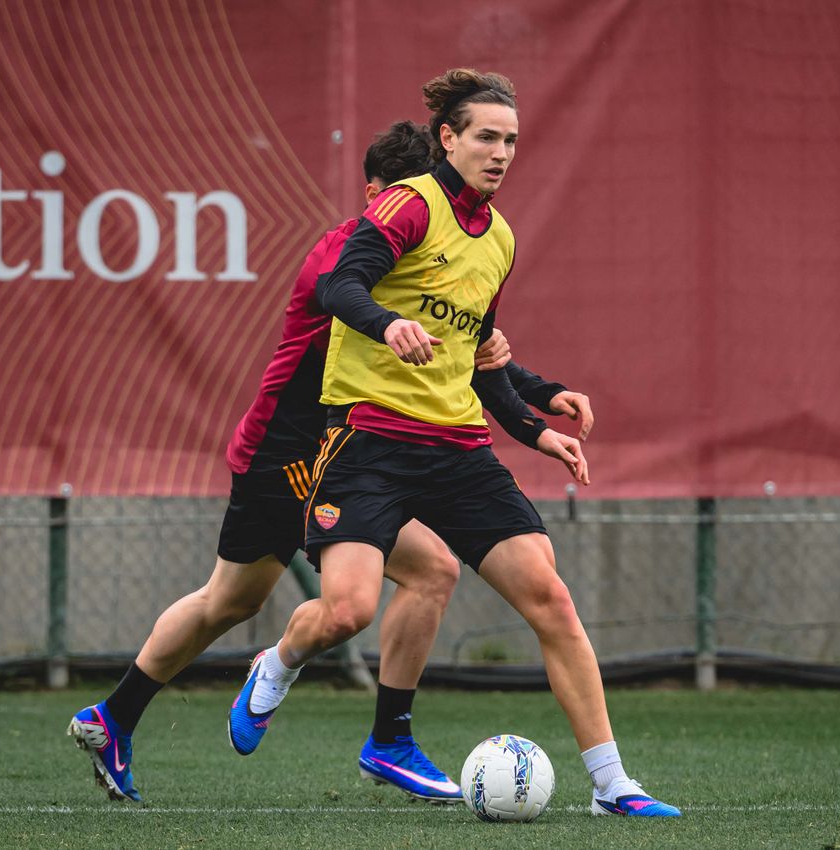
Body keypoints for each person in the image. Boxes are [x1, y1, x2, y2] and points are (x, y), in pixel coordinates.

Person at [68, 120, 592, 804]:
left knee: (236, 598)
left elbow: (453, 347)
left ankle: (115, 717)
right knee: (357, 585)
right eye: (395, 194)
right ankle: (382, 736)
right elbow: (353, 300)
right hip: (292, 450)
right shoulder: (350, 249)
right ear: (376, 192)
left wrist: (533, 388)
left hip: (340, 450)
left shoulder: (430, 244)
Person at [227, 69, 681, 818]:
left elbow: (475, 355)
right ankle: (276, 664)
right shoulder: (410, 206)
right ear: (448, 137)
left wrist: (538, 426)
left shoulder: (498, 238)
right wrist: (386, 322)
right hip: (365, 441)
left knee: (551, 598)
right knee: (345, 612)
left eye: (510, 141)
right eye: (486, 137)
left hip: (456, 450)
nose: (501, 153)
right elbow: (342, 286)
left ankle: (613, 787)